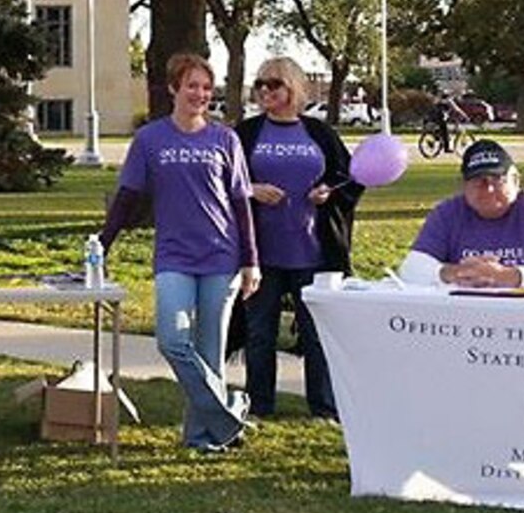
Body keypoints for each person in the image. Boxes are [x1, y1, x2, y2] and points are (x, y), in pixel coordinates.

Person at [99, 52, 260, 453]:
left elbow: (241, 203)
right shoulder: (150, 140)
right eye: (192, 86)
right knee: (172, 341)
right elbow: (127, 196)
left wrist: (251, 260)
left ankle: (202, 437)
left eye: (206, 88)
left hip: (221, 257)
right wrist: (103, 243)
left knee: (209, 353)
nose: (200, 94)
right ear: (173, 88)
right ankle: (230, 410)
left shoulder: (225, 139)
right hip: (174, 256)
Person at [231, 57, 361, 419]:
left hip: (315, 253)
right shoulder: (247, 133)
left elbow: (350, 177)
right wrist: (252, 189)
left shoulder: (318, 133)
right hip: (262, 254)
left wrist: (328, 192)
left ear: (294, 87)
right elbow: (225, 180)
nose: (265, 91)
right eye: (260, 85)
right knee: (259, 333)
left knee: (316, 335)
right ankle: (260, 405)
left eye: (274, 84)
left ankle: (323, 407)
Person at [399, 139, 524, 288]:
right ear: (463, 185)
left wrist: (506, 276)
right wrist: (457, 273)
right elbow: (410, 269)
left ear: (516, 180)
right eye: (477, 181)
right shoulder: (446, 213)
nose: (488, 189)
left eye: (497, 179)